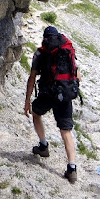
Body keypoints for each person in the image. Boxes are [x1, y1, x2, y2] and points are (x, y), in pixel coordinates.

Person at [24, 26, 80, 184]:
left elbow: (32, 78)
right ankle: (72, 168)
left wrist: (27, 100)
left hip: (48, 92)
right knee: (66, 131)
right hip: (65, 94)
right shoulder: (66, 51)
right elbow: (78, 76)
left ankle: (43, 146)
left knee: (36, 112)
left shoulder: (40, 53)